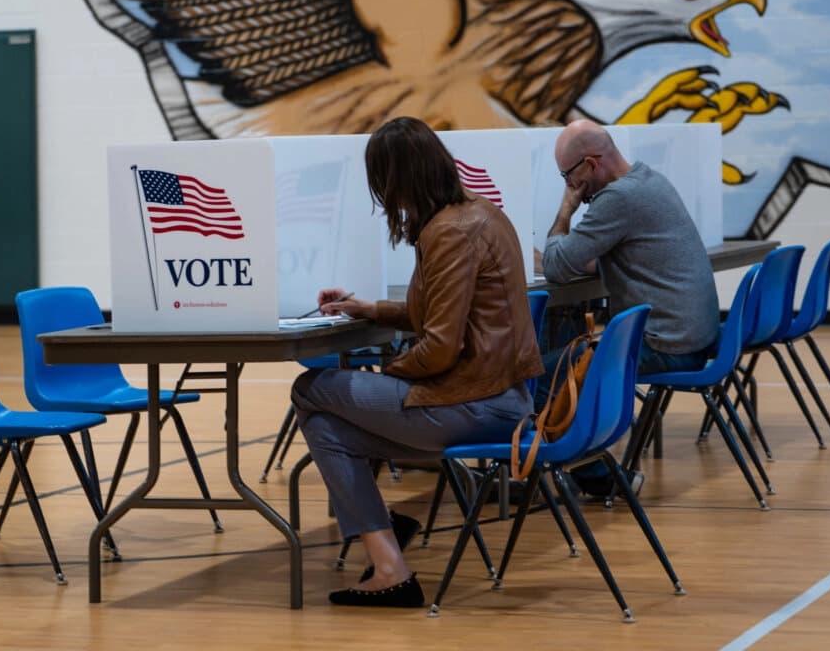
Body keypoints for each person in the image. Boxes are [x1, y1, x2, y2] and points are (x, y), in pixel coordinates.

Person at [291, 116, 544, 608]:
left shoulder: (448, 232)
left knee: (311, 391)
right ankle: (389, 562)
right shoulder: (482, 214)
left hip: (473, 404)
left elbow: (440, 348)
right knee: (329, 428)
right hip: (501, 398)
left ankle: (385, 540)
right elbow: (444, 315)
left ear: (394, 179)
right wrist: (369, 308)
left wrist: (385, 378)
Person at [533, 119, 720, 493]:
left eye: (568, 176)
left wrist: (565, 212)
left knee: (544, 377)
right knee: (573, 357)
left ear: (590, 163)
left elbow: (557, 265)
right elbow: (592, 258)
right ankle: (582, 470)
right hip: (694, 336)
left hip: (668, 344)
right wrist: (565, 254)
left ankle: (575, 477)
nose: (570, 185)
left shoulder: (618, 199)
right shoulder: (647, 180)